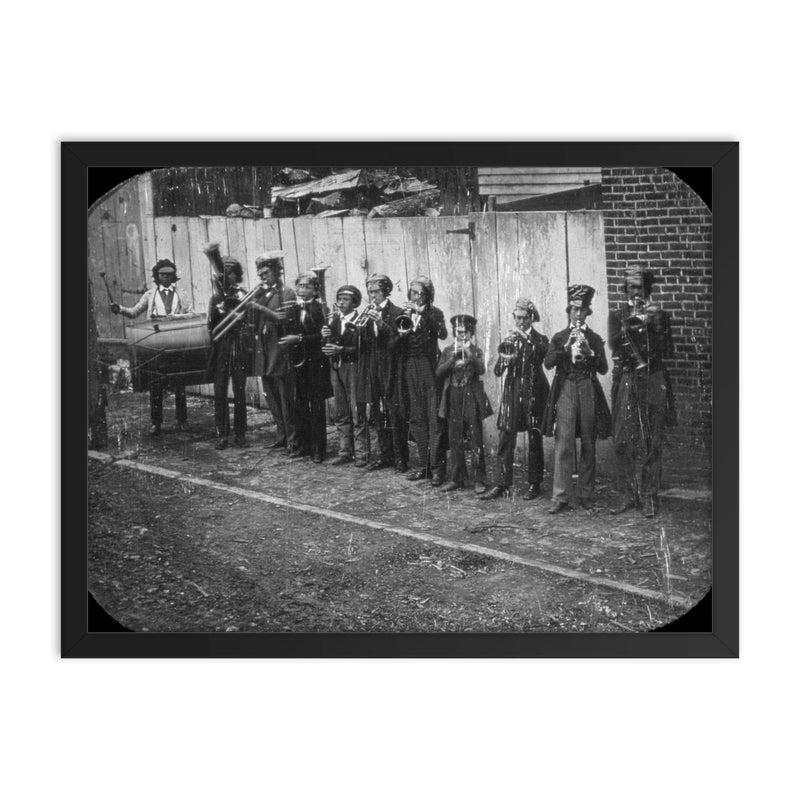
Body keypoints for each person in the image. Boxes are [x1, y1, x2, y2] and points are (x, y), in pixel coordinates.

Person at [608, 267, 676, 518]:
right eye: (630, 287)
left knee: (652, 441)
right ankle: (627, 495)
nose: (635, 291)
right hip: (628, 378)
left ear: (647, 289)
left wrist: (654, 324)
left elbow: (668, 350)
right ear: (625, 289)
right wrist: (633, 324)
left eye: (639, 287)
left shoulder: (659, 315)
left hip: (653, 377)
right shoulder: (617, 315)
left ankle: (648, 495)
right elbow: (614, 344)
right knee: (622, 439)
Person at [543, 284, 611, 513]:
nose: (578, 314)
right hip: (567, 387)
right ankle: (560, 495)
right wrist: (565, 347)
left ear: (587, 312)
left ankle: (585, 494)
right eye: (574, 309)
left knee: (589, 443)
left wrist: (590, 351)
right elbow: (548, 363)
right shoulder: (560, 337)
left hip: (587, 387)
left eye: (582, 310)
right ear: (569, 311)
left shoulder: (595, 338)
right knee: (564, 442)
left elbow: (603, 368)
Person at [111, 258, 192, 436]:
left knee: (180, 382)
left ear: (174, 276)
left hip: (176, 340)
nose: (166, 278)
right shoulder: (150, 295)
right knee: (156, 384)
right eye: (162, 275)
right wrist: (120, 309)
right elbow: (134, 312)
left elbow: (189, 314)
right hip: (155, 342)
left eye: (169, 275)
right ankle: (156, 423)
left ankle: (182, 420)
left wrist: (177, 318)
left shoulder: (182, 293)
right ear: (157, 276)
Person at [481, 298, 550, 501]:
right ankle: (502, 483)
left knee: (534, 438)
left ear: (531, 318)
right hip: (512, 391)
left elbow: (544, 357)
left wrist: (526, 339)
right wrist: (505, 359)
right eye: (516, 318)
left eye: (523, 318)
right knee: (505, 438)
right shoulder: (510, 340)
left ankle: (534, 484)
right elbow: (497, 371)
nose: (519, 322)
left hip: (534, 391)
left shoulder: (540, 339)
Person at [395, 277, 448, 484]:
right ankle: (424, 466)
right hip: (411, 366)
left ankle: (438, 469)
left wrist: (421, 313)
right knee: (417, 418)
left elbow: (442, 334)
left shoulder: (435, 313)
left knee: (434, 419)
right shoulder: (404, 313)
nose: (415, 297)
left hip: (429, 367)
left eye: (420, 293)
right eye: (412, 293)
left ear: (428, 295)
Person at [278, 272, 332, 463]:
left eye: (307, 287)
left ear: (316, 290)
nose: (302, 290)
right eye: (300, 286)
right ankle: (304, 445)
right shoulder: (292, 308)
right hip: (298, 363)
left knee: (316, 406)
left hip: (316, 363)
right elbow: (287, 332)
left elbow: (322, 336)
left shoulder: (321, 309)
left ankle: (318, 449)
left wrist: (299, 339)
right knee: (300, 405)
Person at [436, 314, 493, 494]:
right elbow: (439, 372)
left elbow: (481, 369)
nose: (461, 335)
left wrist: (469, 355)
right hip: (453, 394)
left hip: (470, 394)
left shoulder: (476, 350)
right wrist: (452, 360)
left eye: (465, 332)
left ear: (471, 333)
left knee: (475, 437)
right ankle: (457, 478)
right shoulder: (448, 350)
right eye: (458, 332)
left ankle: (479, 479)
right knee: (455, 438)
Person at [356, 273, 407, 472]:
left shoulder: (397, 312)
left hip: (391, 366)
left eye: (376, 291)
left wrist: (380, 323)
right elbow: (365, 342)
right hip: (373, 366)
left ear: (386, 291)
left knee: (394, 413)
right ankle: (386, 456)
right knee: (377, 413)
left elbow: (397, 341)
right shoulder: (369, 311)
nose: (372, 295)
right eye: (370, 292)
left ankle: (401, 459)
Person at [205, 256, 256, 449]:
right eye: (224, 274)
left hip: (239, 348)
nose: (227, 277)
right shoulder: (215, 298)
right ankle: (222, 434)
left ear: (237, 275)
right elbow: (210, 327)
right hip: (221, 350)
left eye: (231, 273)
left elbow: (251, 322)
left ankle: (240, 434)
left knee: (240, 392)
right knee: (220, 393)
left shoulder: (244, 294)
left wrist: (240, 320)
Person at [254, 251, 299, 454]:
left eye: (266, 273)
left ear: (276, 272)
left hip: (280, 353)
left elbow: (284, 318)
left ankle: (293, 440)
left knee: (286, 399)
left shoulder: (286, 293)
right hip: (265, 354)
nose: (263, 278)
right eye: (260, 274)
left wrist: (260, 308)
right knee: (272, 398)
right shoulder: (262, 294)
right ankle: (281, 436)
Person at [322, 285, 368, 466]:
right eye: (339, 299)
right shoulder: (334, 320)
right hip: (336, 367)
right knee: (341, 410)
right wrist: (324, 336)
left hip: (353, 367)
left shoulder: (361, 321)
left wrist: (340, 349)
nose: (341, 303)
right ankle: (345, 451)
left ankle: (362, 453)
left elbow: (362, 349)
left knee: (357, 411)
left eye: (346, 299)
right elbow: (326, 345)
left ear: (355, 303)